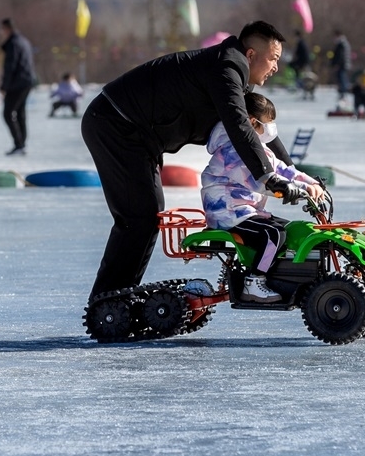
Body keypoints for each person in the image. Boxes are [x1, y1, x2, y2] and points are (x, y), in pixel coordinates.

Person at [82, 20, 296, 301]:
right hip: (115, 123)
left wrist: (291, 173)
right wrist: (267, 176)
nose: (276, 67)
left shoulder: (230, 72)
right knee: (139, 214)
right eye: (274, 59)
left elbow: (260, 129)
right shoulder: (226, 69)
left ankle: (117, 298)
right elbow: (238, 125)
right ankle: (109, 303)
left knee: (145, 213)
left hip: (137, 134)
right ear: (252, 54)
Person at [201, 92, 324, 302]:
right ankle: (255, 281)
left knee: (288, 229)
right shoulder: (234, 150)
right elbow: (260, 181)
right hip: (228, 213)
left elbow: (281, 170)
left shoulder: (258, 148)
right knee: (273, 235)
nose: (271, 129)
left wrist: (310, 182)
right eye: (267, 123)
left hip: (246, 210)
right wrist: (296, 189)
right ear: (251, 121)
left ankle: (280, 276)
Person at [0, 17, 37, 155]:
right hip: (27, 81)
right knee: (20, 112)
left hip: (18, 82)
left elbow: (11, 66)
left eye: (2, 29)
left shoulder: (13, 43)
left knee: (8, 113)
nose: (1, 32)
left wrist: (4, 86)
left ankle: (19, 144)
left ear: (7, 28)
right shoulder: (23, 41)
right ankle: (21, 144)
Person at [329, 29, 352, 101]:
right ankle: (343, 92)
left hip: (342, 65)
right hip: (344, 64)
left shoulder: (342, 44)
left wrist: (336, 64)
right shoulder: (343, 43)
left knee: (342, 78)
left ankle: (343, 93)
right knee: (342, 78)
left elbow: (340, 56)